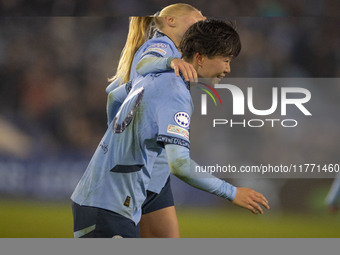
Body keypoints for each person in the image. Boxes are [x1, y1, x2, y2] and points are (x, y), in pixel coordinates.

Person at [71, 19, 270, 238]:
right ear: (200, 58)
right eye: (225, 60)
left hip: (101, 199)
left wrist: (115, 135)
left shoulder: (158, 76)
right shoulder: (176, 93)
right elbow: (180, 165)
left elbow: (114, 96)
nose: (227, 69)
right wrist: (232, 192)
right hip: (109, 208)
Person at [106, 4, 205, 238]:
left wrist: (114, 132)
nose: (203, 22)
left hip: (153, 173)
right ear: (170, 21)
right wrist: (169, 62)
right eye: (197, 18)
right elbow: (146, 64)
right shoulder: (161, 47)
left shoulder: (176, 52)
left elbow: (113, 92)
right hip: (141, 171)